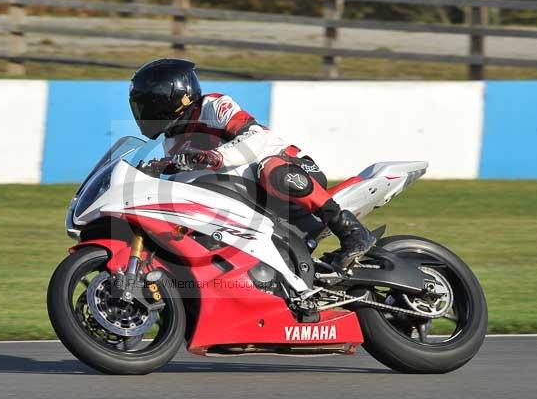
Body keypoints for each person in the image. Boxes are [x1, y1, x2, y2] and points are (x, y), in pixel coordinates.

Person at [128, 58, 375, 270]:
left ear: (170, 98)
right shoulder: (172, 140)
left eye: (147, 104)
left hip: (292, 169)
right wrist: (158, 170)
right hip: (249, 194)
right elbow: (186, 177)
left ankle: (352, 232)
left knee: (272, 171)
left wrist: (215, 157)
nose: (142, 113)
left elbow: (256, 137)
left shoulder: (213, 106)